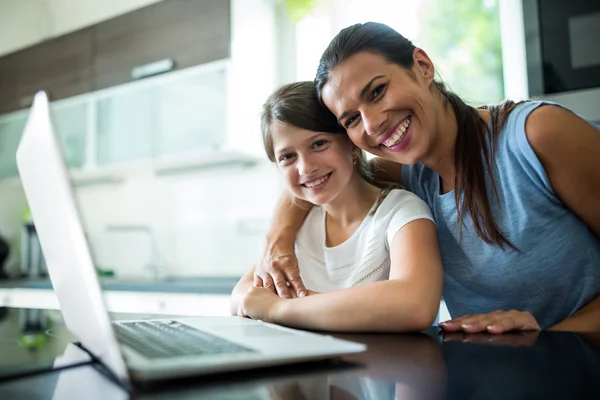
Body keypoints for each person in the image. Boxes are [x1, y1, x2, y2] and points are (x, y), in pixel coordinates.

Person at [255, 22, 600, 333]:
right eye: (352, 120)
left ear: (422, 65)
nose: (373, 124)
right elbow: (317, 180)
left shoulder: (537, 135)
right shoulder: (410, 174)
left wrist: (554, 336)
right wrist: (278, 240)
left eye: (376, 92)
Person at [230, 81, 443, 332]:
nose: (305, 168)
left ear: (352, 144)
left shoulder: (402, 212)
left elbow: (414, 304)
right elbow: (242, 297)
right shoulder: (298, 225)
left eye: (318, 144)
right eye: (287, 156)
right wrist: (260, 302)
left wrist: (278, 308)